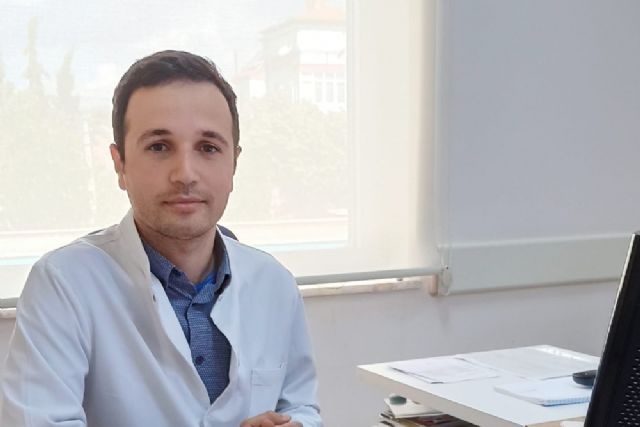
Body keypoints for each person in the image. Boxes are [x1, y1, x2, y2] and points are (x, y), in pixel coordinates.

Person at [0, 50, 322, 427]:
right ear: (120, 164)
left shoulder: (273, 282)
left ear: (233, 163)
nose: (185, 173)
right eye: (158, 147)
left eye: (208, 148)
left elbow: (299, 405)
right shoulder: (64, 283)